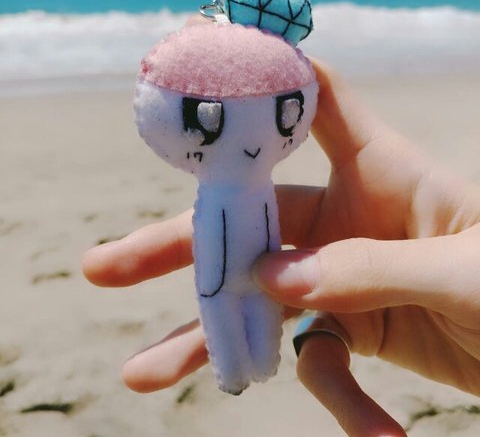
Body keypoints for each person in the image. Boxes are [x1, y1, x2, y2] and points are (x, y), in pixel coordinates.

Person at [82, 56, 480, 437]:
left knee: (246, 307)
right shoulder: (235, 196)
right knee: (223, 309)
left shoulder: (251, 195)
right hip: (228, 277)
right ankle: (237, 368)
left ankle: (251, 363)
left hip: (251, 275)